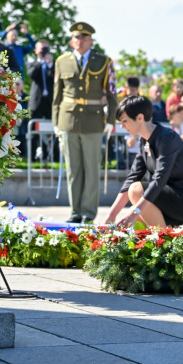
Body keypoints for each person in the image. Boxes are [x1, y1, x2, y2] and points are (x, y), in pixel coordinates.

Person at [105, 96, 183, 227]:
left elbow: (159, 179)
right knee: (132, 224)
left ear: (140, 118)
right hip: (175, 195)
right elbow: (132, 177)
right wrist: (111, 216)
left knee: (136, 192)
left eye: (124, 121)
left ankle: (163, 241)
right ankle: (160, 240)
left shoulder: (167, 138)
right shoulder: (144, 141)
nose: (122, 126)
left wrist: (134, 213)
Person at [53, 22, 117, 223]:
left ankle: (88, 214)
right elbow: (57, 95)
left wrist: (111, 120)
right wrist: (56, 122)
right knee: (73, 170)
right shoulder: (62, 62)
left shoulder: (104, 62)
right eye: (76, 38)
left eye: (83, 38)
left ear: (90, 41)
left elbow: (112, 93)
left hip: (93, 120)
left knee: (91, 169)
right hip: (68, 120)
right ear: (72, 41)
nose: (79, 41)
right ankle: (75, 211)